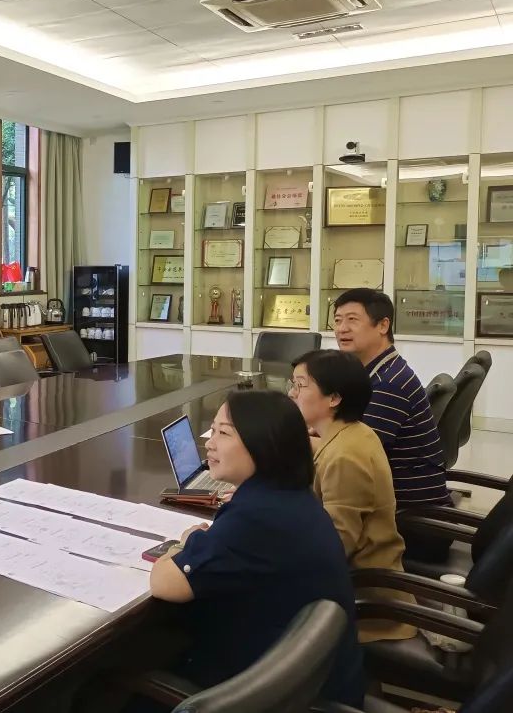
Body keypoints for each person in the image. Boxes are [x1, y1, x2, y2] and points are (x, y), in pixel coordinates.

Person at [146, 390, 365, 708]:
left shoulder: (255, 517)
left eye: (224, 433)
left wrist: (184, 542)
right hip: (311, 682)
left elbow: (164, 583)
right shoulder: (289, 494)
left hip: (272, 695)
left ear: (263, 445)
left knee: (103, 681)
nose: (209, 443)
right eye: (212, 431)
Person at [289, 349, 417, 643]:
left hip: (363, 599)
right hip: (359, 580)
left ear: (334, 398)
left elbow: (334, 546)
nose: (292, 393)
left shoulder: (345, 457)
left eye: (301, 385)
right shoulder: (355, 432)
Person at [332, 288, 452, 560]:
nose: (342, 329)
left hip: (413, 526)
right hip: (406, 512)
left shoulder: (388, 384)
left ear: (383, 325)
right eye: (337, 320)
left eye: (352, 320)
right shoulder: (382, 370)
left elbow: (353, 456)